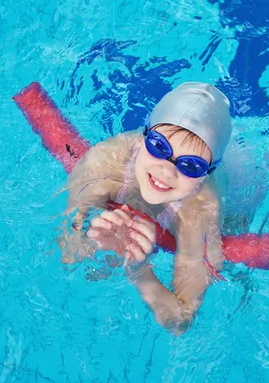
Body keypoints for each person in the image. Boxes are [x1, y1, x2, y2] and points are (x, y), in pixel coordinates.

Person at [59, 82, 232, 334]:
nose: (166, 170)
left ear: (206, 175)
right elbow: (68, 257)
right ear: (142, 139)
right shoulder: (102, 163)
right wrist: (96, 243)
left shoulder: (202, 208)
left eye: (191, 166)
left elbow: (181, 321)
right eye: (159, 146)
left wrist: (139, 270)